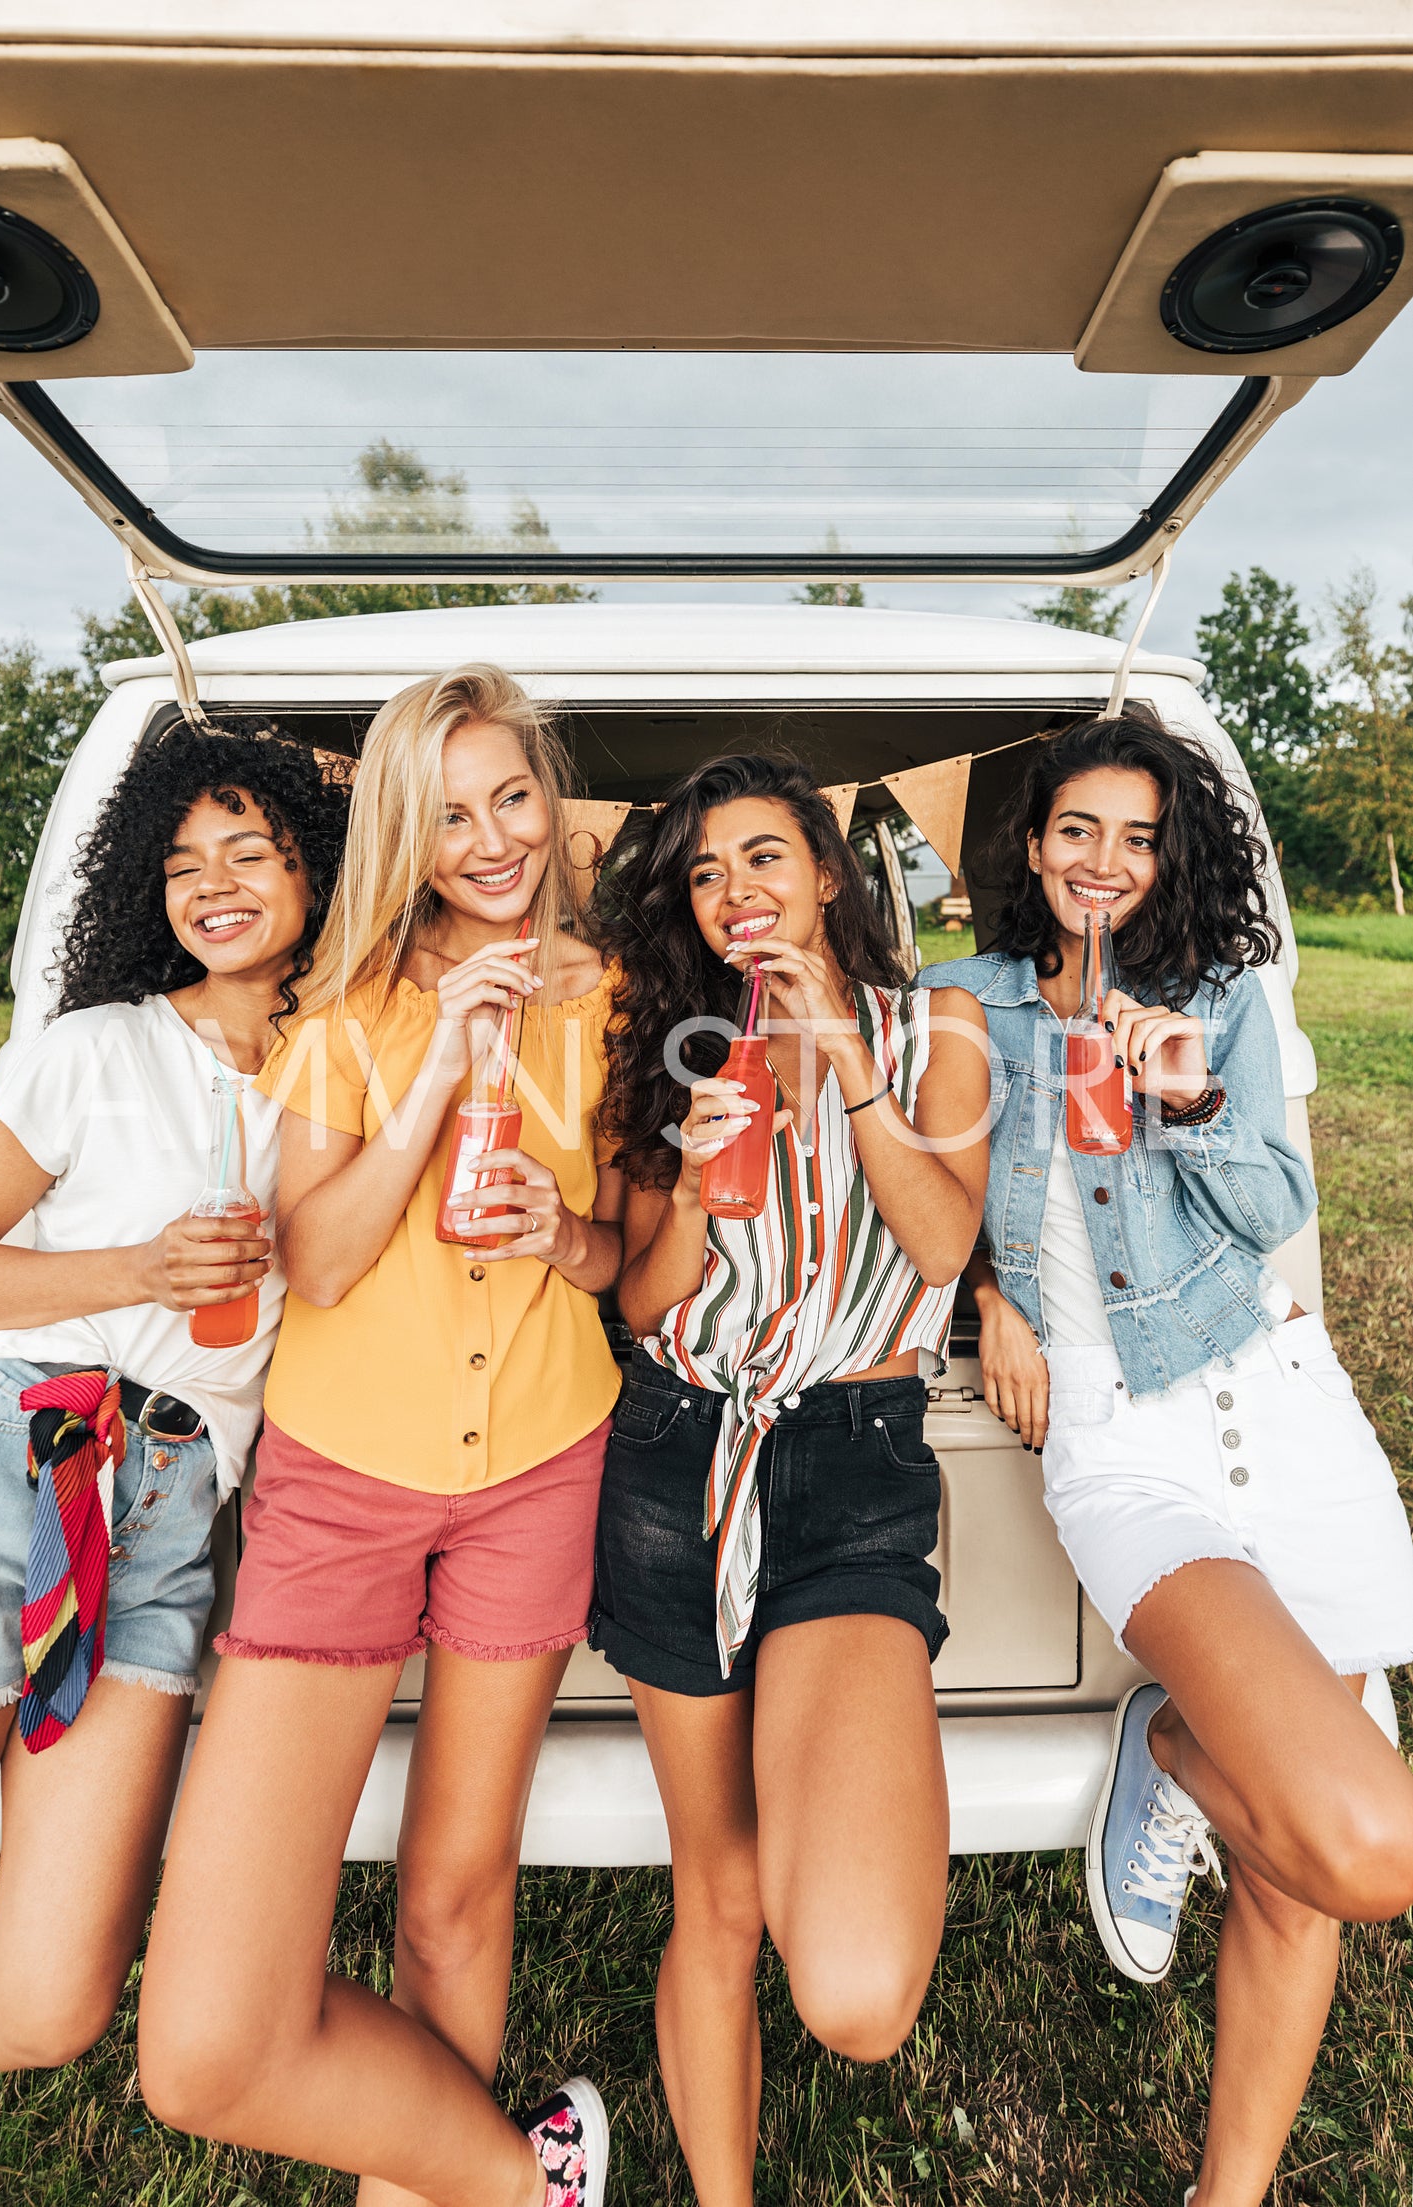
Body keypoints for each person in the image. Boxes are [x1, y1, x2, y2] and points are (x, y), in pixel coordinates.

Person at [137, 667, 621, 2207]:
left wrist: (564, 1234)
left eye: (512, 798)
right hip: (340, 1486)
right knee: (204, 2049)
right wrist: (427, 1074)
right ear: (402, 838)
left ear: (550, 796)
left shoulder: (616, 995)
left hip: (543, 1460)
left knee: (457, 1904)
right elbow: (322, 1260)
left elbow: (625, 1255)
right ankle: (525, 2181)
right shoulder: (347, 1011)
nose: (489, 841)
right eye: (447, 815)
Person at [933, 708, 1413, 2207]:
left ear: (1171, 853)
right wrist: (991, 1292)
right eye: (1077, 828)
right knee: (1365, 1844)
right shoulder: (968, 1005)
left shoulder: (1214, 996)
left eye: (1138, 837)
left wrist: (1190, 1093)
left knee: (1293, 1868)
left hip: (1274, 1393)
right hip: (1123, 1441)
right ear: (1030, 842)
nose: (1105, 862)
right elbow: (902, 1185)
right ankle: (1170, 1746)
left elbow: (1271, 1204)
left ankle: (1228, 2195)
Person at [0, 727, 349, 2084]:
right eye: (179, 865)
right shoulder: (101, 1050)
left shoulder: (352, 1076)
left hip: (167, 1510)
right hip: (14, 1450)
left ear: (319, 871)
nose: (210, 885)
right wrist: (135, 1269)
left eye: (249, 852)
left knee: (48, 2003)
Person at [589, 753, 989, 2206]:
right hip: (672, 1457)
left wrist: (853, 1071)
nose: (734, 891)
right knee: (723, 1890)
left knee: (861, 1996)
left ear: (827, 873)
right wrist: (692, 1185)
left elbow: (941, 1249)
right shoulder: (676, 1044)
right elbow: (639, 1307)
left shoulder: (934, 1025)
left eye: (762, 858)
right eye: (704, 872)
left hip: (846, 1464)